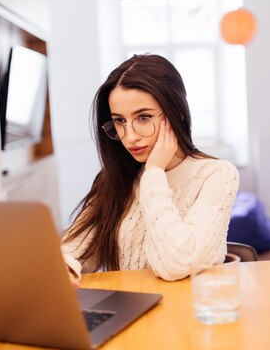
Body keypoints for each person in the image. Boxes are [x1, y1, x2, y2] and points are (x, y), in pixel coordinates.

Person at [62, 54, 239, 281]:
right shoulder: (115, 178)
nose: (130, 137)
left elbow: (178, 265)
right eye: (119, 121)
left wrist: (154, 174)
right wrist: (63, 267)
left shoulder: (216, 175)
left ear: (178, 113)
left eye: (143, 117)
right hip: (129, 309)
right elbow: (74, 253)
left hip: (188, 311)